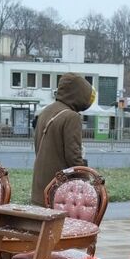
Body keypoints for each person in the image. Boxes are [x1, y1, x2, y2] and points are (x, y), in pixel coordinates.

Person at [30, 72, 94, 205]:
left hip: (39, 186)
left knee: (45, 225)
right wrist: (85, 178)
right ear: (79, 94)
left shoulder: (45, 111)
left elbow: (38, 148)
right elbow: (73, 157)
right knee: (62, 226)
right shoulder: (71, 117)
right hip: (59, 189)